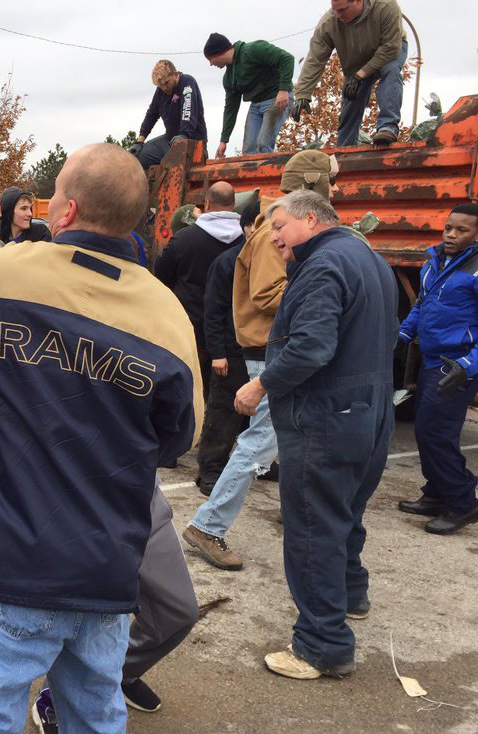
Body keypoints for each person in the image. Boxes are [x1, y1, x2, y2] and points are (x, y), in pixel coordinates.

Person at [0, 143, 200, 734]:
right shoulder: (167, 315)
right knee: (96, 716)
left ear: (68, 208)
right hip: (105, 562)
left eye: (54, 191)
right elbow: (178, 439)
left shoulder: (5, 277)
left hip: (7, 554)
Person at [235, 189, 397, 679]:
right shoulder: (369, 258)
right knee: (344, 510)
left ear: (310, 218)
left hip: (327, 416)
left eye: (279, 227)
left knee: (312, 526)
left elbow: (310, 348)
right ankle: (351, 593)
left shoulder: (324, 266)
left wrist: (260, 384)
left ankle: (321, 645)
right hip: (368, 412)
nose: (274, 238)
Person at [183, 150, 339, 570]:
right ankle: (208, 526)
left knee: (290, 438)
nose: (335, 190)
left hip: (277, 349)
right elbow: (266, 294)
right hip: (269, 352)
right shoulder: (277, 231)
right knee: (256, 445)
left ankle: (296, 513)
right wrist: (325, 293)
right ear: (313, 184)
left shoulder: (282, 226)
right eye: (330, 181)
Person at [29, 481, 199, 734]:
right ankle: (56, 698)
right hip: (67, 491)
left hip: (138, 489)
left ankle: (122, 672)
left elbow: (179, 442)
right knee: (81, 615)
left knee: (179, 611)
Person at [397, 203, 478, 534]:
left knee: (435, 434)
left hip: (457, 366)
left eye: (462, 230)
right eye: (448, 228)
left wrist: (468, 365)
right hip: (431, 360)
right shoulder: (433, 263)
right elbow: (422, 305)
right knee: (425, 430)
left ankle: (462, 502)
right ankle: (436, 493)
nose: (451, 234)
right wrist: (401, 335)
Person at [156, 181, 244, 399]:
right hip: (234, 337)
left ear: (206, 203)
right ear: (233, 204)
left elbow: (161, 277)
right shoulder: (247, 241)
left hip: (190, 331)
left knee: (188, 394)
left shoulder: (184, 239)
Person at [197, 201, 260, 495]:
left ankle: (259, 466)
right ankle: (210, 472)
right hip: (231, 355)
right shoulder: (228, 262)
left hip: (260, 354)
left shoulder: (277, 262)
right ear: (246, 227)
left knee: (257, 417)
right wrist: (218, 354)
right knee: (223, 415)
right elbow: (213, 310)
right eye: (257, 224)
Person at [291, 0, 408, 147]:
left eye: (342, 10)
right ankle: (345, 149)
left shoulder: (386, 6)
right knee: (351, 99)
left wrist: (361, 74)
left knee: (391, 71)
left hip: (388, 51)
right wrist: (302, 93)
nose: (338, 15)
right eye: (335, 10)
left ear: (358, 1)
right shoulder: (329, 23)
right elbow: (315, 58)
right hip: (357, 59)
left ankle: (388, 127)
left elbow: (391, 48)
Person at [203, 33, 294, 157]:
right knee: (248, 150)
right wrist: (224, 140)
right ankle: (253, 175)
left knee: (263, 144)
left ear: (218, 53)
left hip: (276, 98)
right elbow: (230, 109)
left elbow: (287, 58)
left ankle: (267, 175)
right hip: (256, 105)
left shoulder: (253, 50)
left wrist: (283, 90)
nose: (211, 64)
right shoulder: (229, 78)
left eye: (210, 60)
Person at [130, 60, 208, 170]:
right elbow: (151, 115)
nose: (164, 88)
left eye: (167, 83)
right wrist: (139, 142)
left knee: (177, 164)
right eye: (161, 85)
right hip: (169, 141)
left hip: (191, 143)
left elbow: (188, 110)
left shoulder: (187, 82)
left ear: (175, 75)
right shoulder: (161, 91)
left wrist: (183, 135)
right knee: (136, 157)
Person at [0, 186, 52, 261]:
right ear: (9, 212)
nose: (30, 214)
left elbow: (45, 263)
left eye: (30, 208)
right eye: (24, 208)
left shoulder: (40, 233)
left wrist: (8, 256)